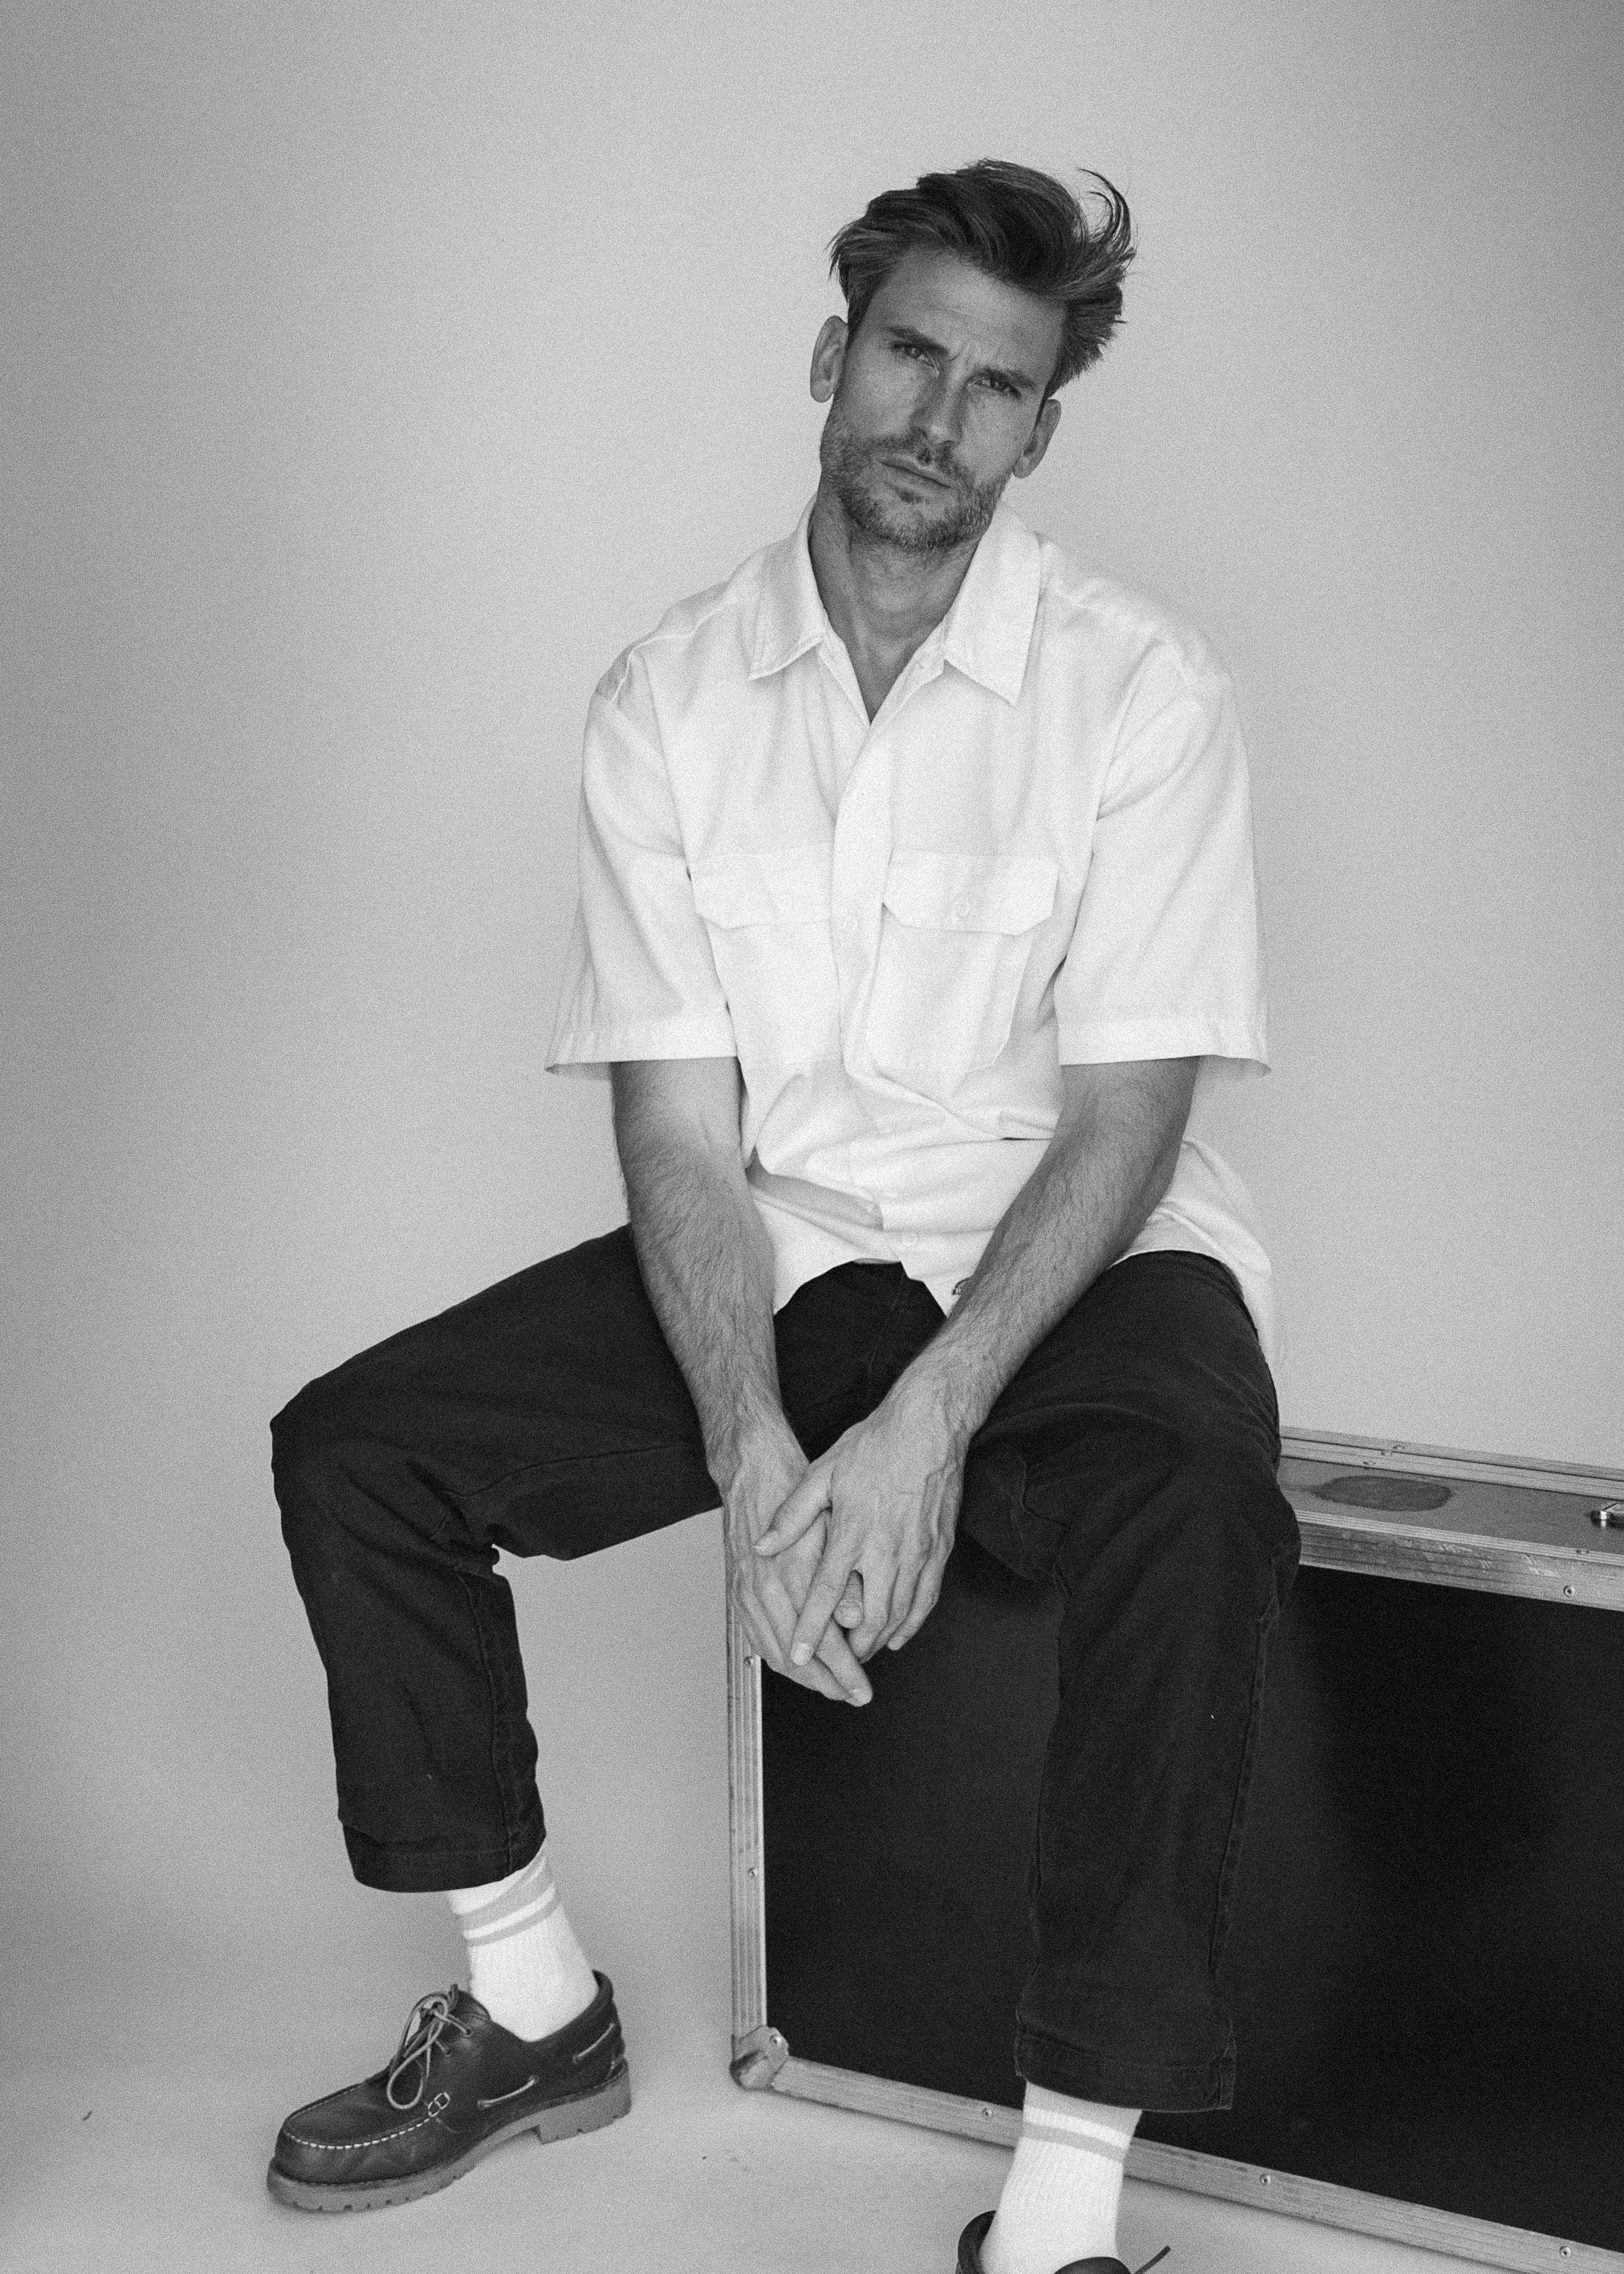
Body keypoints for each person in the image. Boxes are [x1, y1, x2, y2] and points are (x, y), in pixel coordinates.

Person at [267, 158, 1297, 2274]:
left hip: (1073, 1251)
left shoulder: (1140, 689)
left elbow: (1124, 1114)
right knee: (359, 1447)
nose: (938, 418)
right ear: (835, 358)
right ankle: (536, 2009)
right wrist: (754, 1449)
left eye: (994, 387)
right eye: (909, 354)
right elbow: (674, 1130)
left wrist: (921, 1427)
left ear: (1037, 428)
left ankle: (1063, 2204)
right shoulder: (665, 698)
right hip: (791, 1246)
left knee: (1187, 1487)